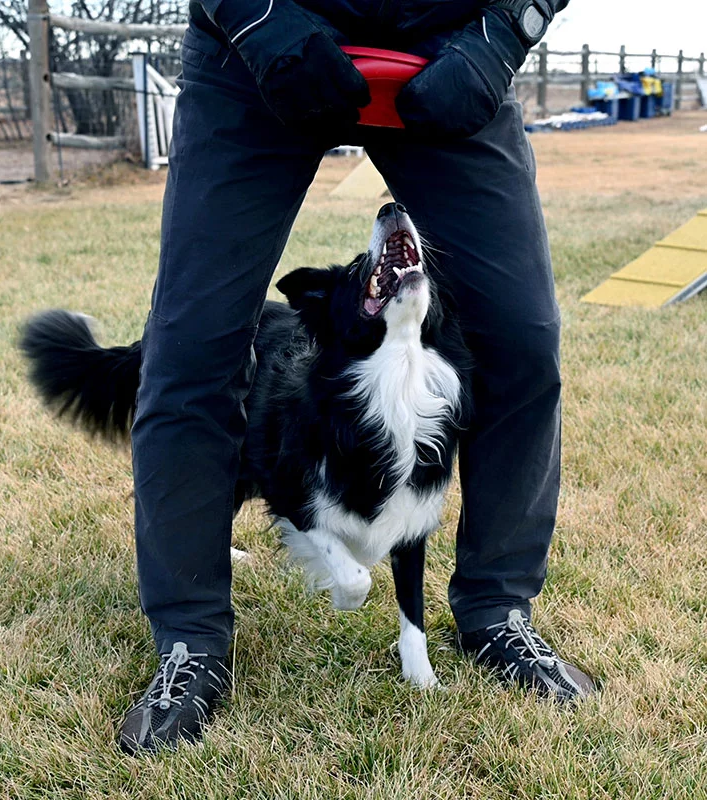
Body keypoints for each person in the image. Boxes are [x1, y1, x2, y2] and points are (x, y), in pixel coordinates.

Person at [120, 0, 595, 755]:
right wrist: (257, 21)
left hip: (450, 47)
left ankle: (497, 611)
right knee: (191, 350)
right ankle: (190, 641)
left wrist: (506, 30)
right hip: (255, 44)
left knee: (522, 340)